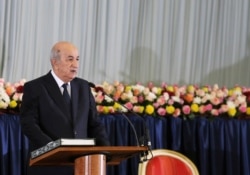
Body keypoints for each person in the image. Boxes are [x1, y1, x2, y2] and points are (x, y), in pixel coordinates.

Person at [20, 41, 110, 175]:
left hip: (83, 165)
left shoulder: (84, 87)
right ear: (55, 62)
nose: (76, 65)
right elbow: (29, 124)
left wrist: (106, 151)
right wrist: (53, 149)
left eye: (77, 59)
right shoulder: (35, 87)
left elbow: (95, 124)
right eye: (70, 59)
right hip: (49, 165)